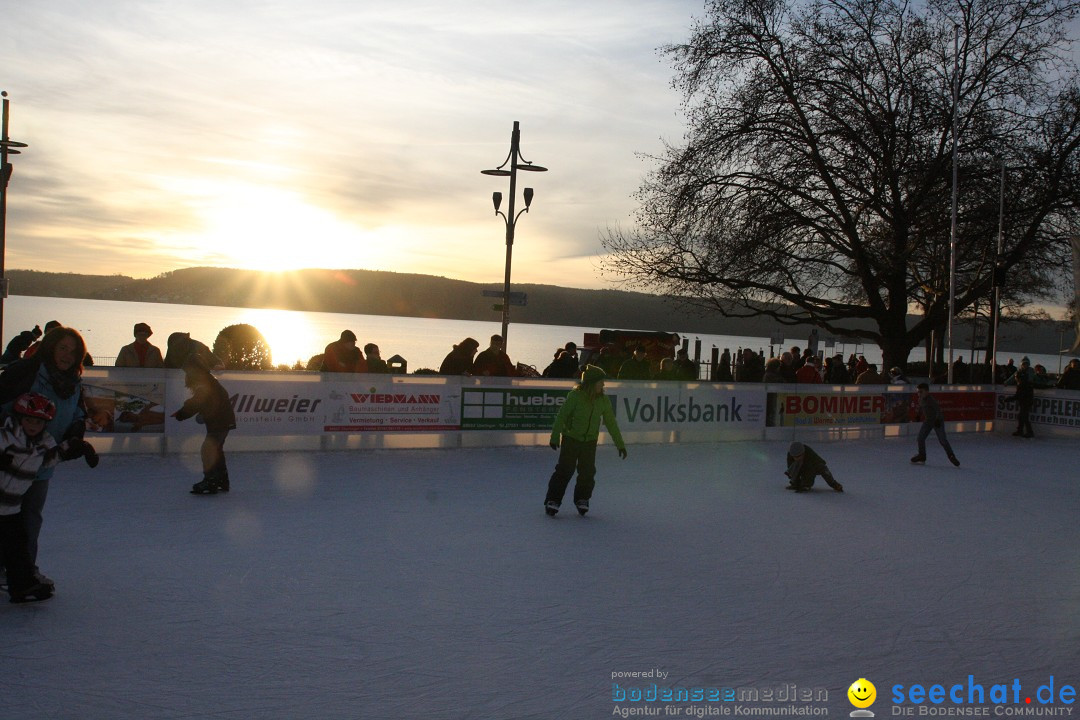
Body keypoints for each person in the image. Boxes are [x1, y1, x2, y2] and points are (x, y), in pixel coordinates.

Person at [0, 326, 97, 595]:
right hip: (9, 463)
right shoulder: (27, 372)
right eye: (62, 347)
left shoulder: (73, 382)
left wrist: (76, 436)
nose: (67, 354)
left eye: (73, 350)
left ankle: (25, 570)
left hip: (41, 462)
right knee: (7, 517)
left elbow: (78, 413)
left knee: (30, 518)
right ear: (51, 347)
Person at [545, 365, 627, 516]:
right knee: (565, 470)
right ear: (591, 383)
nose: (603, 385)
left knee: (587, 472)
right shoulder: (575, 396)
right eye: (600, 382)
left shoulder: (603, 400)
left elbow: (611, 423)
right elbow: (561, 416)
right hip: (571, 439)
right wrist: (555, 436)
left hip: (589, 441)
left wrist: (620, 445)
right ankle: (553, 500)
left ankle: (582, 499)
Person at [166, 334, 236, 495]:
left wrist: (182, 413)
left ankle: (211, 481)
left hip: (220, 421)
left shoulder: (204, 382)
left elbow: (197, 401)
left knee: (208, 449)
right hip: (221, 420)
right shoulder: (206, 380)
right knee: (215, 449)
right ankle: (221, 480)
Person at [910, 383, 960, 466]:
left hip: (937, 421)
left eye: (921, 392)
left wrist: (937, 420)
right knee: (920, 438)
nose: (919, 394)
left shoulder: (931, 400)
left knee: (942, 440)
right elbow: (921, 408)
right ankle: (922, 455)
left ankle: (951, 455)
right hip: (928, 421)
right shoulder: (920, 399)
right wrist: (918, 415)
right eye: (918, 392)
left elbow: (938, 410)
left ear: (927, 391)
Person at [1004, 357, 1036, 438]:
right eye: (1023, 364)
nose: (1025, 365)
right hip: (1023, 399)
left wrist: (1008, 399)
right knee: (1021, 416)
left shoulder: (1028, 374)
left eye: (1026, 364)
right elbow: (1012, 378)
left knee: (1024, 416)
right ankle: (1020, 430)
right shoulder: (1019, 373)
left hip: (1027, 399)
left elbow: (1019, 394)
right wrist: (1006, 382)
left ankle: (1029, 432)